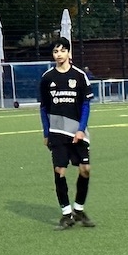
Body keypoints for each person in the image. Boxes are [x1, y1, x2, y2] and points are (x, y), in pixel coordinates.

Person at [39, 36, 95, 231]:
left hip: (77, 132)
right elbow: (44, 107)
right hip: (56, 132)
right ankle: (66, 214)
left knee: (85, 169)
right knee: (60, 171)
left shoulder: (79, 76)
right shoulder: (47, 78)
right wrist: (46, 133)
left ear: (69, 52)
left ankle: (78, 209)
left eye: (62, 50)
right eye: (55, 51)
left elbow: (86, 105)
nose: (59, 54)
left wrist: (80, 129)